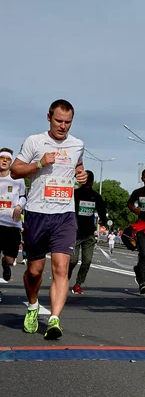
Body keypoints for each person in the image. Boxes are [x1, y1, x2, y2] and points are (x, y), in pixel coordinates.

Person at [11, 99, 87, 340]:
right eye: (58, 121)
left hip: (64, 215)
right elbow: (15, 170)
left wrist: (81, 175)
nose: (63, 126)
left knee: (61, 267)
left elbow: (79, 167)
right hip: (36, 213)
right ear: (48, 118)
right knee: (34, 271)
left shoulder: (77, 145)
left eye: (68, 122)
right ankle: (33, 306)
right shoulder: (35, 141)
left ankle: (54, 319)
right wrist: (39, 163)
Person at [68, 170, 108, 294]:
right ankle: (65, 276)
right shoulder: (75, 194)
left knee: (87, 261)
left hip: (89, 234)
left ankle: (78, 284)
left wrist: (103, 221)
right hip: (75, 233)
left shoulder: (95, 196)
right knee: (73, 260)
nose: (87, 184)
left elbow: (102, 210)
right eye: (85, 182)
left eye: (89, 182)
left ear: (92, 182)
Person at [0, 148, 27, 282]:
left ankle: (6, 264)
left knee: (10, 259)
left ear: (11, 162)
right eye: (2, 158)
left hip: (12, 223)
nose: (4, 160)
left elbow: (23, 197)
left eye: (8, 159)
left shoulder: (18, 179)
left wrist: (18, 206)